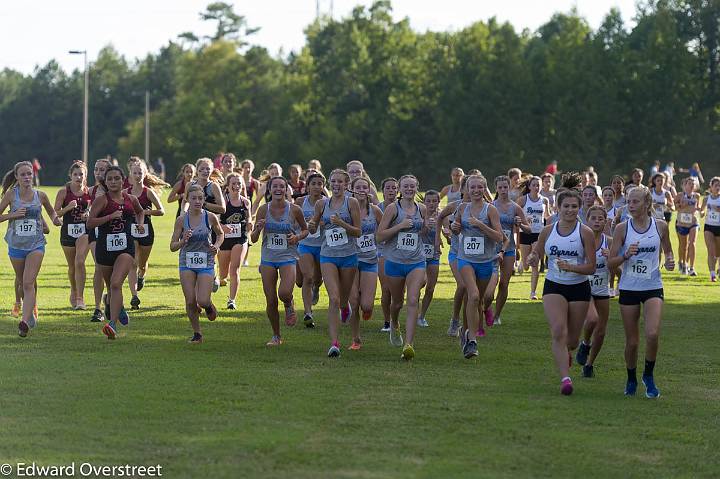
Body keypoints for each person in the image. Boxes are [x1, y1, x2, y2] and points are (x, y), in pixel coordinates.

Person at [526, 189, 596, 395]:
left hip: (578, 287)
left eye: (574, 206)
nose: (570, 210)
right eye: (566, 206)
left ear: (580, 208)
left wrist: (572, 267)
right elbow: (537, 251)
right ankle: (565, 379)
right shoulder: (548, 230)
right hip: (554, 285)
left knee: (572, 341)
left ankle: (569, 353)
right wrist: (533, 258)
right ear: (558, 207)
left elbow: (591, 267)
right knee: (558, 331)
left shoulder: (585, 232)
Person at [608, 186, 675, 398]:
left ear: (647, 204)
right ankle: (631, 377)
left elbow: (668, 251)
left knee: (653, 334)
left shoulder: (661, 226)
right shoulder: (622, 229)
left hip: (653, 286)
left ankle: (648, 375)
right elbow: (611, 263)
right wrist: (625, 255)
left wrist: (671, 261)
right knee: (633, 341)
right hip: (629, 288)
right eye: (629, 201)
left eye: (636, 201)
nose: (631, 205)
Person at [1, 161, 61, 337]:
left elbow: (51, 212)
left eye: (29, 174)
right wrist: (13, 214)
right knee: (22, 282)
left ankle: (25, 322)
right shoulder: (12, 195)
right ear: (17, 177)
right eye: (23, 175)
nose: (27, 177)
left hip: (36, 244)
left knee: (28, 283)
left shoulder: (40, 195)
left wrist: (56, 220)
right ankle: (30, 311)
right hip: (16, 246)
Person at [86, 166, 145, 340]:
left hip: (126, 248)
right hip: (105, 249)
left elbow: (140, 211)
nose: (113, 182)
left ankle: (112, 324)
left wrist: (140, 223)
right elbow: (90, 223)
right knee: (111, 286)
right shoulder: (101, 201)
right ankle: (117, 307)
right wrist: (109, 217)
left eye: (116, 178)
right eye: (109, 179)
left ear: (123, 180)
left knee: (115, 284)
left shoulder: (130, 198)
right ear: (105, 182)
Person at [308, 169, 361, 357]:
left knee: (344, 300)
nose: (337, 185)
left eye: (340, 182)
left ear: (346, 185)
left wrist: (341, 223)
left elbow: (358, 232)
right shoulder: (322, 204)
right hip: (328, 255)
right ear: (330, 184)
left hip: (348, 256)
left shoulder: (352, 203)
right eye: (334, 182)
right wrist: (312, 225)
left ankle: (345, 307)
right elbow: (314, 225)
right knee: (334, 298)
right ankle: (334, 343)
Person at [250, 176, 308, 347]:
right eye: (275, 186)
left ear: (286, 190)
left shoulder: (294, 210)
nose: (278, 189)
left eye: (281, 187)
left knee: (283, 293)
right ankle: (276, 336)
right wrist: (258, 228)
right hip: (268, 258)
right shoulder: (263, 209)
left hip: (288, 257)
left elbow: (305, 230)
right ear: (269, 189)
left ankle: (289, 304)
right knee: (271, 300)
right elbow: (253, 239)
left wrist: (297, 237)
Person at [376, 175, 428, 360]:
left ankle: (408, 344)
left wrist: (427, 226)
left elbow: (422, 232)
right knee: (397, 302)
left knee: (413, 300)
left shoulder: (422, 209)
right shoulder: (392, 209)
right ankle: (395, 324)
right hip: (394, 261)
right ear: (399, 188)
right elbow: (379, 236)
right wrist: (400, 226)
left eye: (412, 186)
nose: (409, 189)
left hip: (416, 261)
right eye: (405, 186)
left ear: (416, 188)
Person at [452, 175, 503, 358]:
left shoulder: (491, 210)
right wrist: (455, 228)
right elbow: (455, 228)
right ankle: (472, 341)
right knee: (472, 296)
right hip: (465, 259)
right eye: (472, 187)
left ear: (484, 189)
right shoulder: (462, 208)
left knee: (479, 301)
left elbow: (499, 237)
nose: (475, 191)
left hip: (485, 262)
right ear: (466, 189)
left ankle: (466, 332)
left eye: (479, 187)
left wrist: (481, 225)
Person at [170, 184, 223, 343]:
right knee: (191, 301)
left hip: (206, 261)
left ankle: (208, 306)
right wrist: (183, 240)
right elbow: (172, 246)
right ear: (188, 199)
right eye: (194, 198)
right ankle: (197, 333)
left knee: (203, 300)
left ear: (204, 199)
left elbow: (220, 234)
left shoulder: (210, 217)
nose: (197, 201)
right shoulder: (181, 220)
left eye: (200, 198)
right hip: (187, 262)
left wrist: (217, 246)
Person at [575, 206, 612, 378]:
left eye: (600, 219)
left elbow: (620, 269)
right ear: (587, 220)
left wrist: (611, 257)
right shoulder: (581, 240)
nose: (597, 221)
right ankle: (585, 343)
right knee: (591, 320)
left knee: (602, 330)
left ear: (605, 222)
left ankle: (589, 364)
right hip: (584, 287)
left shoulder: (610, 242)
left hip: (602, 289)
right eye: (594, 218)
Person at [126, 160, 167, 309]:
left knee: (141, 265)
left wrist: (145, 212)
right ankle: (134, 297)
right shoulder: (126, 192)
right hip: (131, 229)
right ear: (130, 175)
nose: (137, 176)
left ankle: (141, 276)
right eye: (135, 173)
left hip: (146, 230)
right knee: (133, 263)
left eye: (140, 173)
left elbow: (161, 210)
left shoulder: (147, 192)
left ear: (145, 175)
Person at [348, 176, 382, 349]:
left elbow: (385, 230)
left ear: (369, 191)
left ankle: (367, 307)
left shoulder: (375, 211)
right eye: (358, 187)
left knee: (366, 304)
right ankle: (356, 338)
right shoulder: (346, 210)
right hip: (350, 260)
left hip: (369, 260)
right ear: (351, 189)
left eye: (364, 187)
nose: (361, 190)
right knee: (354, 302)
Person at [491, 175, 529, 325]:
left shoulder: (515, 207)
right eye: (500, 187)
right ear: (496, 189)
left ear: (509, 188)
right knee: (489, 284)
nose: (503, 190)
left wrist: (520, 224)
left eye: (505, 187)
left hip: (509, 249)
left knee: (504, 284)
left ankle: (497, 315)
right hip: (492, 249)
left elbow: (528, 229)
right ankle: (486, 307)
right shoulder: (491, 206)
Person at [55, 161, 92, 310]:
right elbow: (55, 212)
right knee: (72, 266)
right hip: (68, 232)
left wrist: (88, 213)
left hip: (84, 232)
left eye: (81, 174)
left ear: (85, 176)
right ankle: (74, 289)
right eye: (75, 174)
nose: (78, 177)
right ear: (70, 175)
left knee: (80, 261)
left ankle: (80, 298)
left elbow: (95, 210)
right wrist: (68, 208)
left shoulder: (89, 192)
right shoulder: (63, 192)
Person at [295, 172, 325, 327]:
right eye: (313, 184)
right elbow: (292, 222)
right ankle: (308, 313)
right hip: (305, 244)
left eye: (320, 184)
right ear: (307, 186)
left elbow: (333, 224)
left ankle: (317, 288)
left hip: (322, 246)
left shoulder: (327, 203)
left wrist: (319, 224)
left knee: (317, 279)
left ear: (323, 187)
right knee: (306, 278)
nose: (316, 187)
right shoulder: (300, 202)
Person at [217, 173, 251, 309]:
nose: (237, 186)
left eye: (239, 183)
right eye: (234, 183)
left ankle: (232, 301)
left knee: (235, 270)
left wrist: (250, 224)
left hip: (240, 238)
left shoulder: (245, 202)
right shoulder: (223, 202)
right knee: (223, 275)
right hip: (224, 240)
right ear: (228, 185)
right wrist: (222, 227)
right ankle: (218, 278)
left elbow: (248, 219)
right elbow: (215, 222)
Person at [87, 158, 112, 322]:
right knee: (98, 267)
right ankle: (97, 309)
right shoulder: (90, 191)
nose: (98, 173)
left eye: (102, 170)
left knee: (111, 271)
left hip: (114, 233)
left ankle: (110, 299)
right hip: (95, 233)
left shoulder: (117, 190)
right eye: (96, 169)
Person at [518, 176, 551, 299]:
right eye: (534, 185)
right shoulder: (523, 200)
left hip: (539, 234)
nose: (536, 187)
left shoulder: (544, 200)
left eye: (538, 185)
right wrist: (524, 220)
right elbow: (515, 214)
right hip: (525, 232)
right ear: (529, 186)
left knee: (535, 263)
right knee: (527, 265)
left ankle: (533, 293)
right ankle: (522, 262)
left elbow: (547, 216)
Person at [377, 177, 399, 333]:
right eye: (388, 188)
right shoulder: (376, 209)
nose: (391, 191)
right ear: (382, 190)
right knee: (386, 288)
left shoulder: (403, 207)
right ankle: (387, 321)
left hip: (400, 252)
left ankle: (395, 318)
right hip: (381, 251)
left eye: (394, 188)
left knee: (397, 291)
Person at [418, 190, 441, 327]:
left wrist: (447, 233)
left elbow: (448, 230)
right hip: (418, 254)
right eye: (429, 201)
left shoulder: (441, 215)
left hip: (433, 255)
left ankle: (422, 316)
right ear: (424, 202)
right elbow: (418, 233)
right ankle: (414, 307)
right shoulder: (419, 214)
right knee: (421, 283)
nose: (431, 204)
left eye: (434, 201)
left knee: (430, 288)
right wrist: (426, 227)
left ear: (438, 202)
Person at [675, 177, 701, 275]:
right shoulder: (680, 195)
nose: (691, 186)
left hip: (693, 222)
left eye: (693, 184)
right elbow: (674, 208)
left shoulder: (697, 196)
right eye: (689, 183)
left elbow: (699, 207)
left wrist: (700, 210)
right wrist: (681, 205)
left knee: (692, 243)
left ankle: (692, 268)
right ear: (684, 185)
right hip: (682, 223)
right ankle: (683, 263)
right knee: (683, 246)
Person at [702, 177, 720, 281]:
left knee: (718, 252)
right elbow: (702, 211)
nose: (718, 187)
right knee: (711, 251)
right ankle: (712, 275)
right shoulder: (706, 199)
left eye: (719, 185)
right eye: (716, 185)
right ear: (711, 187)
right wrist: (702, 213)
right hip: (708, 227)